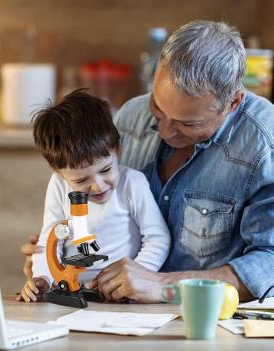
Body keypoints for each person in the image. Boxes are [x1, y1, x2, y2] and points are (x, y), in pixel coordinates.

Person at [21, 20, 274, 303]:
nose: (165, 132)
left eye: (187, 123)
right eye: (158, 107)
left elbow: (269, 263)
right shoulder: (131, 116)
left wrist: (163, 286)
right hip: (119, 314)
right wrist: (54, 261)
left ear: (234, 103)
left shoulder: (264, 145)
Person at [17, 90, 170, 302]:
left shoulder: (132, 183)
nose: (97, 186)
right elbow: (48, 241)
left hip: (121, 295)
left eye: (106, 170)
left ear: (117, 150)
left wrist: (137, 276)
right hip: (74, 292)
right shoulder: (58, 186)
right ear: (58, 171)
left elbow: (158, 238)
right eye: (80, 181)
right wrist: (44, 279)